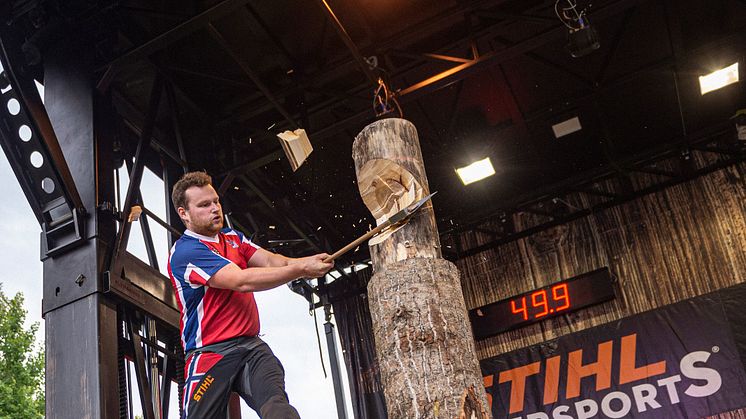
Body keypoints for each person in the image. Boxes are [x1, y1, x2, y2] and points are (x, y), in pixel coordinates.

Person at [167, 171, 333, 418]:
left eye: (216, 201)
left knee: (278, 407)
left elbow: (271, 261)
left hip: (251, 347)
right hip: (210, 354)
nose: (215, 208)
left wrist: (304, 262)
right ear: (184, 214)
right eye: (204, 205)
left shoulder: (233, 238)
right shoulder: (185, 252)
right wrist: (301, 269)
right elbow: (241, 281)